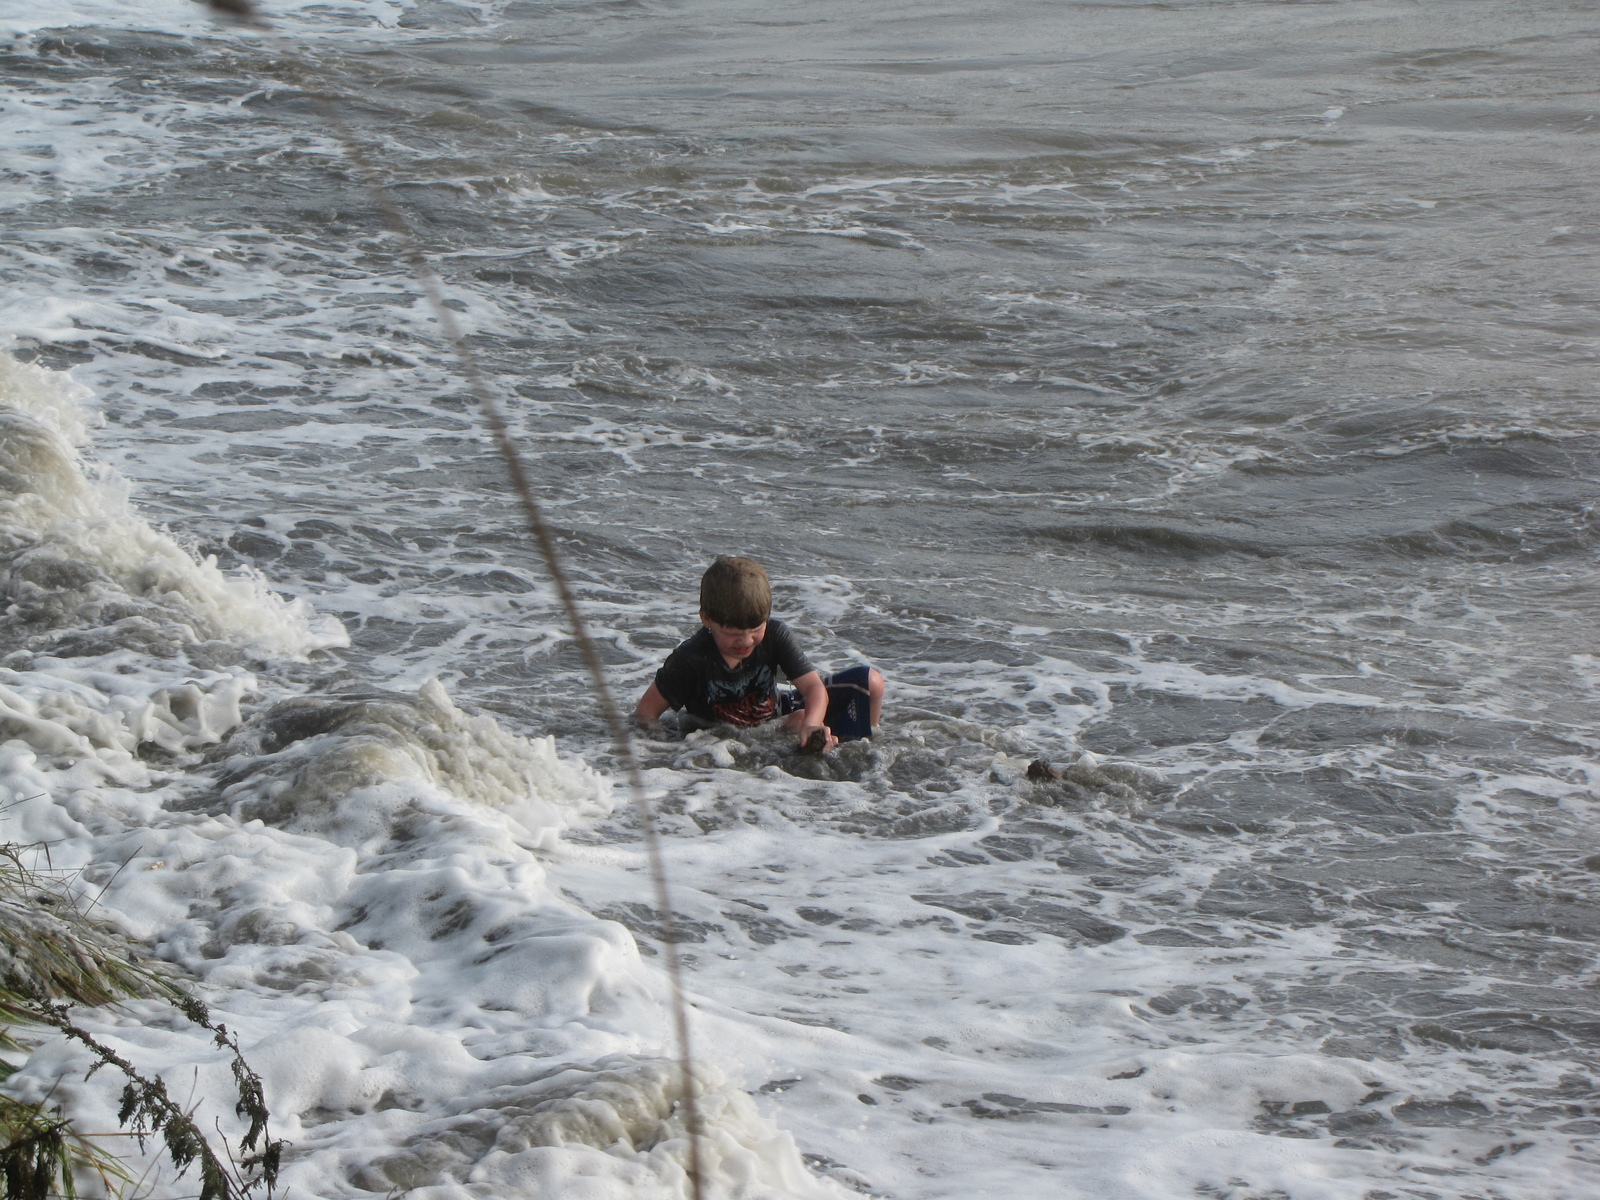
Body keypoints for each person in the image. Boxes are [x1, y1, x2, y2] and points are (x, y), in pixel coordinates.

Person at [632, 556, 885, 750]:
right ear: (707, 619)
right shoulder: (690, 658)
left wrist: (813, 722)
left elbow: (814, 689)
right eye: (732, 632)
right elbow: (645, 714)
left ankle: (867, 749)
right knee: (798, 720)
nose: (745, 641)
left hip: (772, 721)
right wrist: (667, 751)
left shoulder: (776, 635)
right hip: (716, 738)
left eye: (755, 629)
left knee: (871, 682)